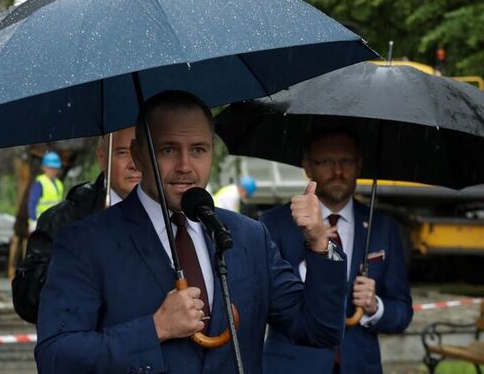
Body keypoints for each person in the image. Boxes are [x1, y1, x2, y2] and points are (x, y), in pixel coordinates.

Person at [35, 91, 347, 373]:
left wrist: (320, 243)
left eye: (198, 149)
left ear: (212, 150)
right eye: (169, 149)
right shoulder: (85, 241)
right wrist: (156, 327)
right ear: (138, 153)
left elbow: (319, 331)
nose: (185, 165)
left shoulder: (249, 236)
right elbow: (56, 357)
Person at [260, 129, 413, 373]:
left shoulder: (383, 227)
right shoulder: (273, 224)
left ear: (360, 164)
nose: (338, 171)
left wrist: (375, 307)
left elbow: (403, 312)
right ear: (307, 166)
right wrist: (315, 260)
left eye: (346, 161)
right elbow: (264, 306)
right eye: (327, 162)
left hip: (360, 366)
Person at [13, 126, 140, 323]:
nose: (135, 163)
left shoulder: (173, 216)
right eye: (122, 152)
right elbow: (27, 301)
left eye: (141, 151)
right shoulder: (64, 219)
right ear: (101, 157)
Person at [27, 151, 64, 232]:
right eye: (51, 168)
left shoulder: (59, 184)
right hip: (41, 223)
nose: (53, 170)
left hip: (55, 224)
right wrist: (33, 221)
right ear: (44, 167)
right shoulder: (40, 183)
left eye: (55, 168)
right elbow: (32, 203)